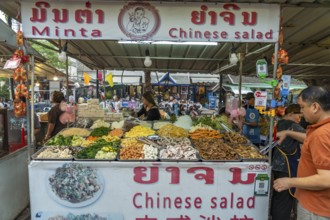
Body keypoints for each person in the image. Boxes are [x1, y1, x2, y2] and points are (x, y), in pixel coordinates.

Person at [273, 86, 330, 219]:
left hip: (316, 208)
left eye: (302, 107)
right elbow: (310, 140)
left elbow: (326, 179)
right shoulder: (323, 130)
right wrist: (288, 132)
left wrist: (290, 181)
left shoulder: (321, 134)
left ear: (315, 107)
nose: (301, 112)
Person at [271, 104, 305, 220]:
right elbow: (308, 138)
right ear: (291, 114)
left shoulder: (278, 123)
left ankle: (275, 216)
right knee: (285, 198)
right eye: (298, 116)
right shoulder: (292, 126)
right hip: (287, 166)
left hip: (276, 165)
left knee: (278, 196)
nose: (299, 120)